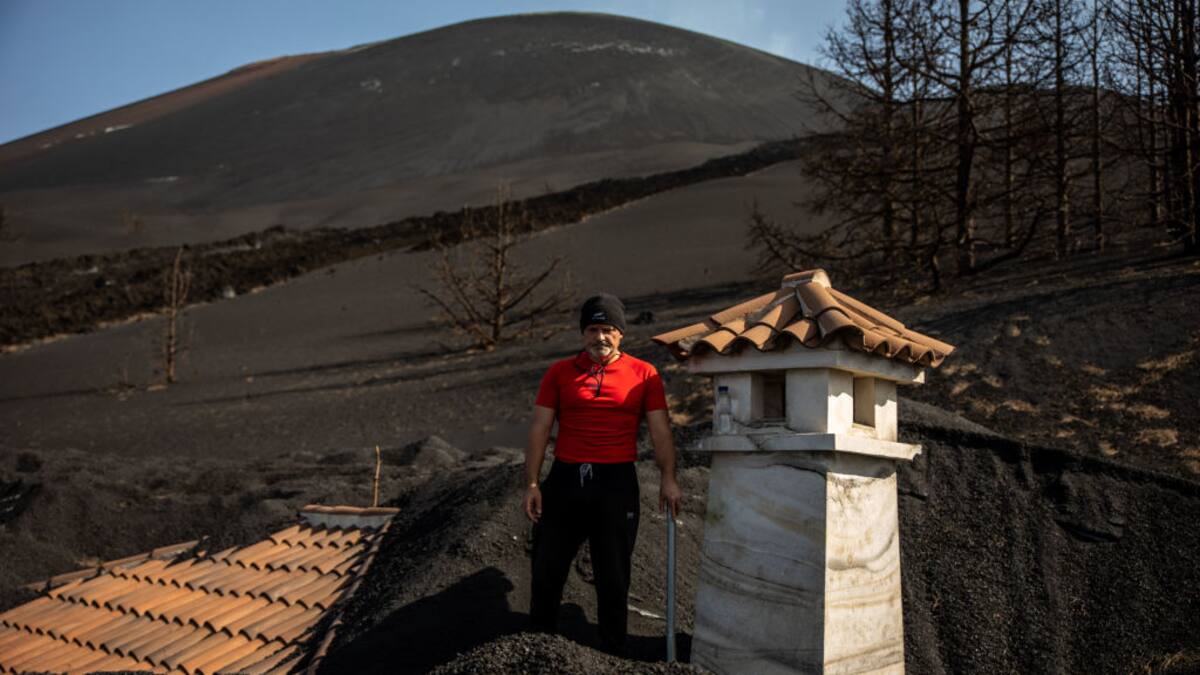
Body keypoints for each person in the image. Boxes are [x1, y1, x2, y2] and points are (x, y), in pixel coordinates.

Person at [522, 293, 683, 655]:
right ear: (583, 333)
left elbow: (660, 430)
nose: (601, 337)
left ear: (621, 334)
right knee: (547, 570)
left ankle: (612, 655)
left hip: (616, 484)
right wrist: (532, 482)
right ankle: (535, 649)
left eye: (608, 329)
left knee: (613, 576)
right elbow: (539, 428)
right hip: (565, 481)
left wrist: (668, 477)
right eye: (593, 329)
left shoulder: (645, 374)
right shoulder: (559, 373)